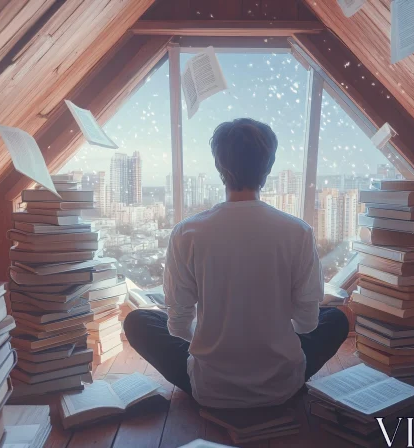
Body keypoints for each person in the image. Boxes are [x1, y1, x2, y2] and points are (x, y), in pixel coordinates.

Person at [123, 118, 349, 408]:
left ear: (219, 167)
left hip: (210, 388)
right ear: (267, 169)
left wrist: (215, 335)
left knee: (138, 320)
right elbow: (306, 324)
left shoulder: (187, 232)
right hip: (283, 385)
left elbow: (178, 327)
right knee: (337, 319)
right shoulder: (298, 231)